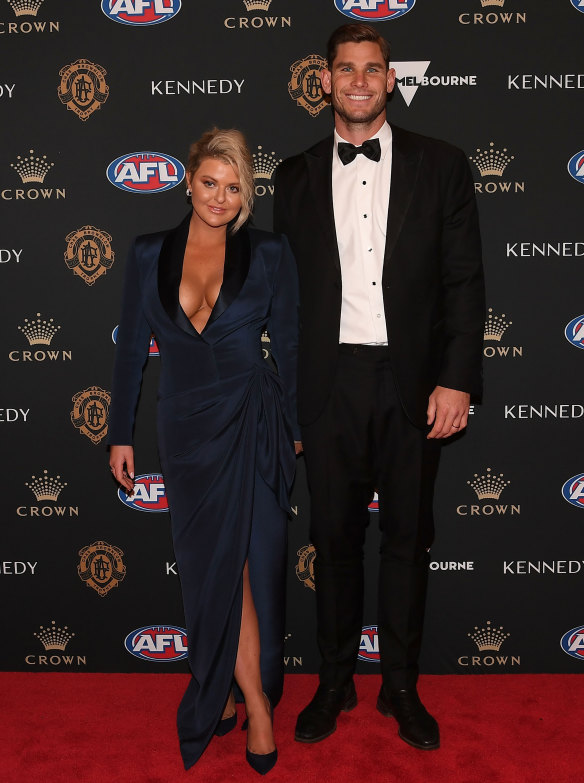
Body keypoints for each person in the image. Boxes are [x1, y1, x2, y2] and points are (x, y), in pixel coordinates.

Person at [274, 23, 485, 751]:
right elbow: (283, 301)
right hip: (328, 383)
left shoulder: (443, 166)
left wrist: (457, 379)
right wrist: (288, 399)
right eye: (345, 69)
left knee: (407, 538)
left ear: (391, 80)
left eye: (373, 68)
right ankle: (334, 680)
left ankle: (400, 683)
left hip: (413, 382)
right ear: (324, 81)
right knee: (330, 538)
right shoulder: (293, 176)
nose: (359, 80)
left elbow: (464, 282)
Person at [108, 128, 299, 774]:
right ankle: (221, 689)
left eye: (234, 185)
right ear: (187, 181)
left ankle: (256, 702)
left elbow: (292, 350)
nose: (220, 197)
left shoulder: (269, 254)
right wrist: (119, 432)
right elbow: (131, 349)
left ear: (246, 191)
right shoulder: (146, 255)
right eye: (210, 182)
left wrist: (295, 429)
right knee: (205, 574)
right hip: (185, 432)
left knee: (243, 571)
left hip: (250, 421)